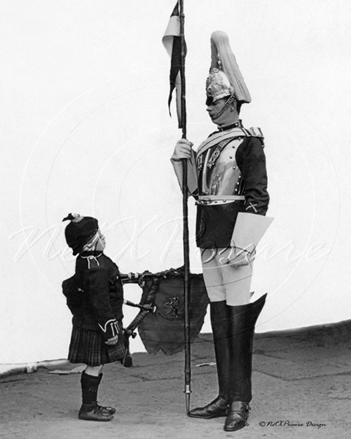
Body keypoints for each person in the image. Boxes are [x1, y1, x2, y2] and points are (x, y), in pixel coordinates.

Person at [170, 31, 270, 432]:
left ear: (233, 101)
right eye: (208, 101)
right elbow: (196, 191)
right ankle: (225, 394)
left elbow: (258, 196)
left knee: (239, 319)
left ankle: (241, 400)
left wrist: (244, 244)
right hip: (209, 235)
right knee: (219, 317)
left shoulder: (249, 143)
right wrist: (180, 161)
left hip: (234, 240)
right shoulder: (211, 144)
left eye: (216, 100)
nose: (210, 108)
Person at [62, 213, 128, 422]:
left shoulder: (91, 261)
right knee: (94, 365)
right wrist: (110, 331)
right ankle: (88, 408)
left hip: (91, 323)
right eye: (99, 235)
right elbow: (100, 302)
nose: (104, 238)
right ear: (89, 244)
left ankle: (91, 405)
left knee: (95, 366)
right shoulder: (95, 266)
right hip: (97, 326)